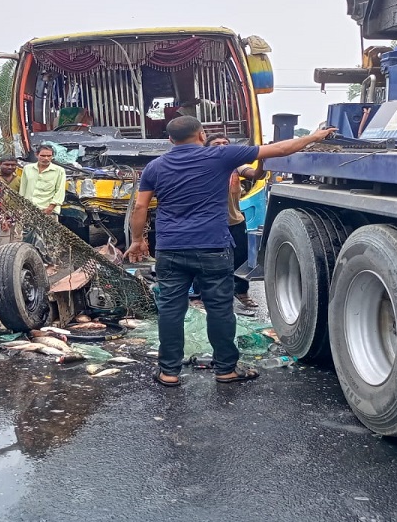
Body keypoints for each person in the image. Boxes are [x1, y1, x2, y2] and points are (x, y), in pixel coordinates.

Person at [125, 117, 335, 387]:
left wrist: (137, 240)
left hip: (171, 248)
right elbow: (282, 149)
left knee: (170, 311)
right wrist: (315, 136)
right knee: (220, 310)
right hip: (213, 246)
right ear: (202, 135)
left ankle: (169, 372)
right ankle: (225, 369)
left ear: (170, 140)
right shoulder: (221, 155)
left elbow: (141, 207)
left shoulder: (155, 166)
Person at [207, 133, 260, 317]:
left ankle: (241, 291)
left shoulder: (236, 166)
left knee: (241, 260)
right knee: (209, 261)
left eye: (225, 143)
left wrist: (263, 162)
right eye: (216, 143)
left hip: (234, 221)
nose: (221, 146)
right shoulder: (202, 165)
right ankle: (205, 297)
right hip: (210, 224)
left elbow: (254, 173)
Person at [19, 144, 66, 216]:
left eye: (49, 156)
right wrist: (22, 207)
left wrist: (49, 209)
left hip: (48, 211)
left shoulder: (59, 171)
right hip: (29, 210)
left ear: (52, 156)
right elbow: (23, 189)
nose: (46, 158)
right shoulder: (27, 168)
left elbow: (60, 192)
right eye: (43, 156)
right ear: (36, 155)